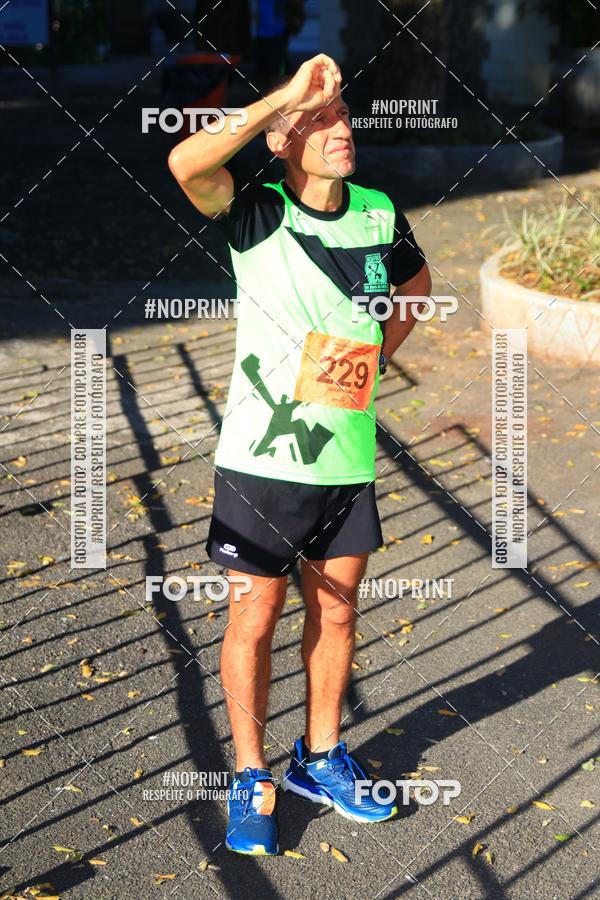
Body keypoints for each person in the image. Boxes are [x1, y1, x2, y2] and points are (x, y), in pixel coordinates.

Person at [168, 54, 432, 856]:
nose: (341, 128)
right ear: (283, 141)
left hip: (345, 460)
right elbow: (186, 160)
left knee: (339, 613)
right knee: (255, 616)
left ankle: (319, 757)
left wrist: (368, 360)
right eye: (321, 122)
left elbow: (417, 289)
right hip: (260, 463)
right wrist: (286, 96)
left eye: (343, 115)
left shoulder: (380, 210)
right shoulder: (256, 211)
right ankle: (251, 772)